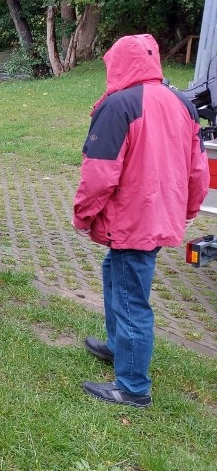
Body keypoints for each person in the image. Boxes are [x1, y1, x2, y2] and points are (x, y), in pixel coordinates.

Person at [73, 33, 208, 408]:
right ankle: (118, 348)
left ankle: (132, 387)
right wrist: (189, 209)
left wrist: (83, 215)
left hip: (134, 218)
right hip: (155, 214)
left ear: (118, 63)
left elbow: (99, 173)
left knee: (132, 298)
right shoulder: (183, 103)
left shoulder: (119, 105)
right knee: (115, 272)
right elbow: (198, 171)